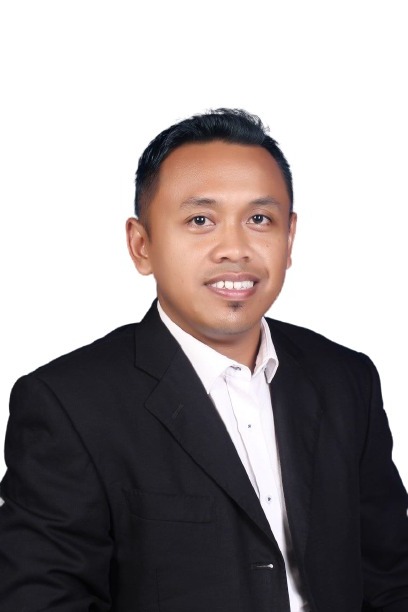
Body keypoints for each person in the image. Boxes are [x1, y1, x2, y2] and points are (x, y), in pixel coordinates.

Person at [0, 109, 407, 612]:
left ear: (289, 238)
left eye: (259, 219)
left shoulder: (346, 379)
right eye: (200, 220)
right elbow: (44, 599)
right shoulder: (68, 403)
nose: (234, 249)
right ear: (141, 245)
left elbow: (390, 575)